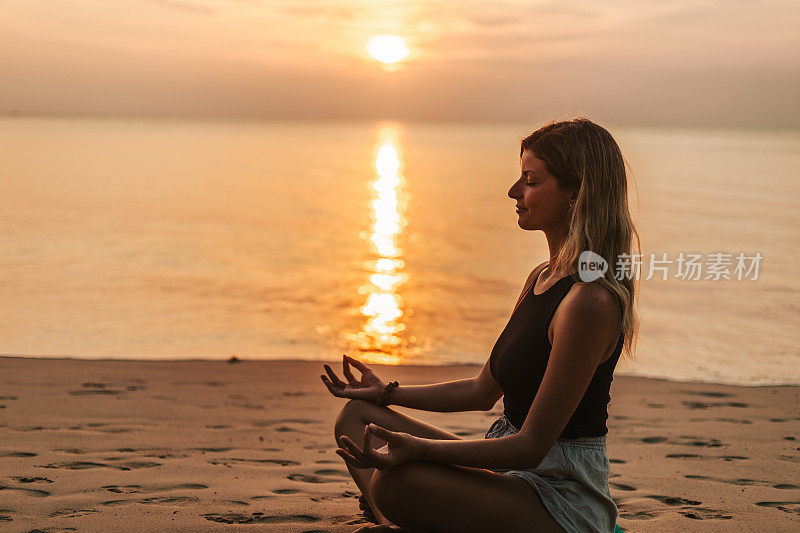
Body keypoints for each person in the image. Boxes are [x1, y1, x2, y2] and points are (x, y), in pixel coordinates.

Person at [321, 118, 640, 533]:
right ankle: (394, 521)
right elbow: (480, 390)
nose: (514, 192)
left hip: (558, 497)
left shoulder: (588, 301)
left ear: (576, 193)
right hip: (507, 474)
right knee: (358, 416)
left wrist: (418, 450)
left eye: (530, 180)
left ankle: (399, 515)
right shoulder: (541, 277)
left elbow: (531, 447)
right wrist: (386, 392)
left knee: (397, 480)